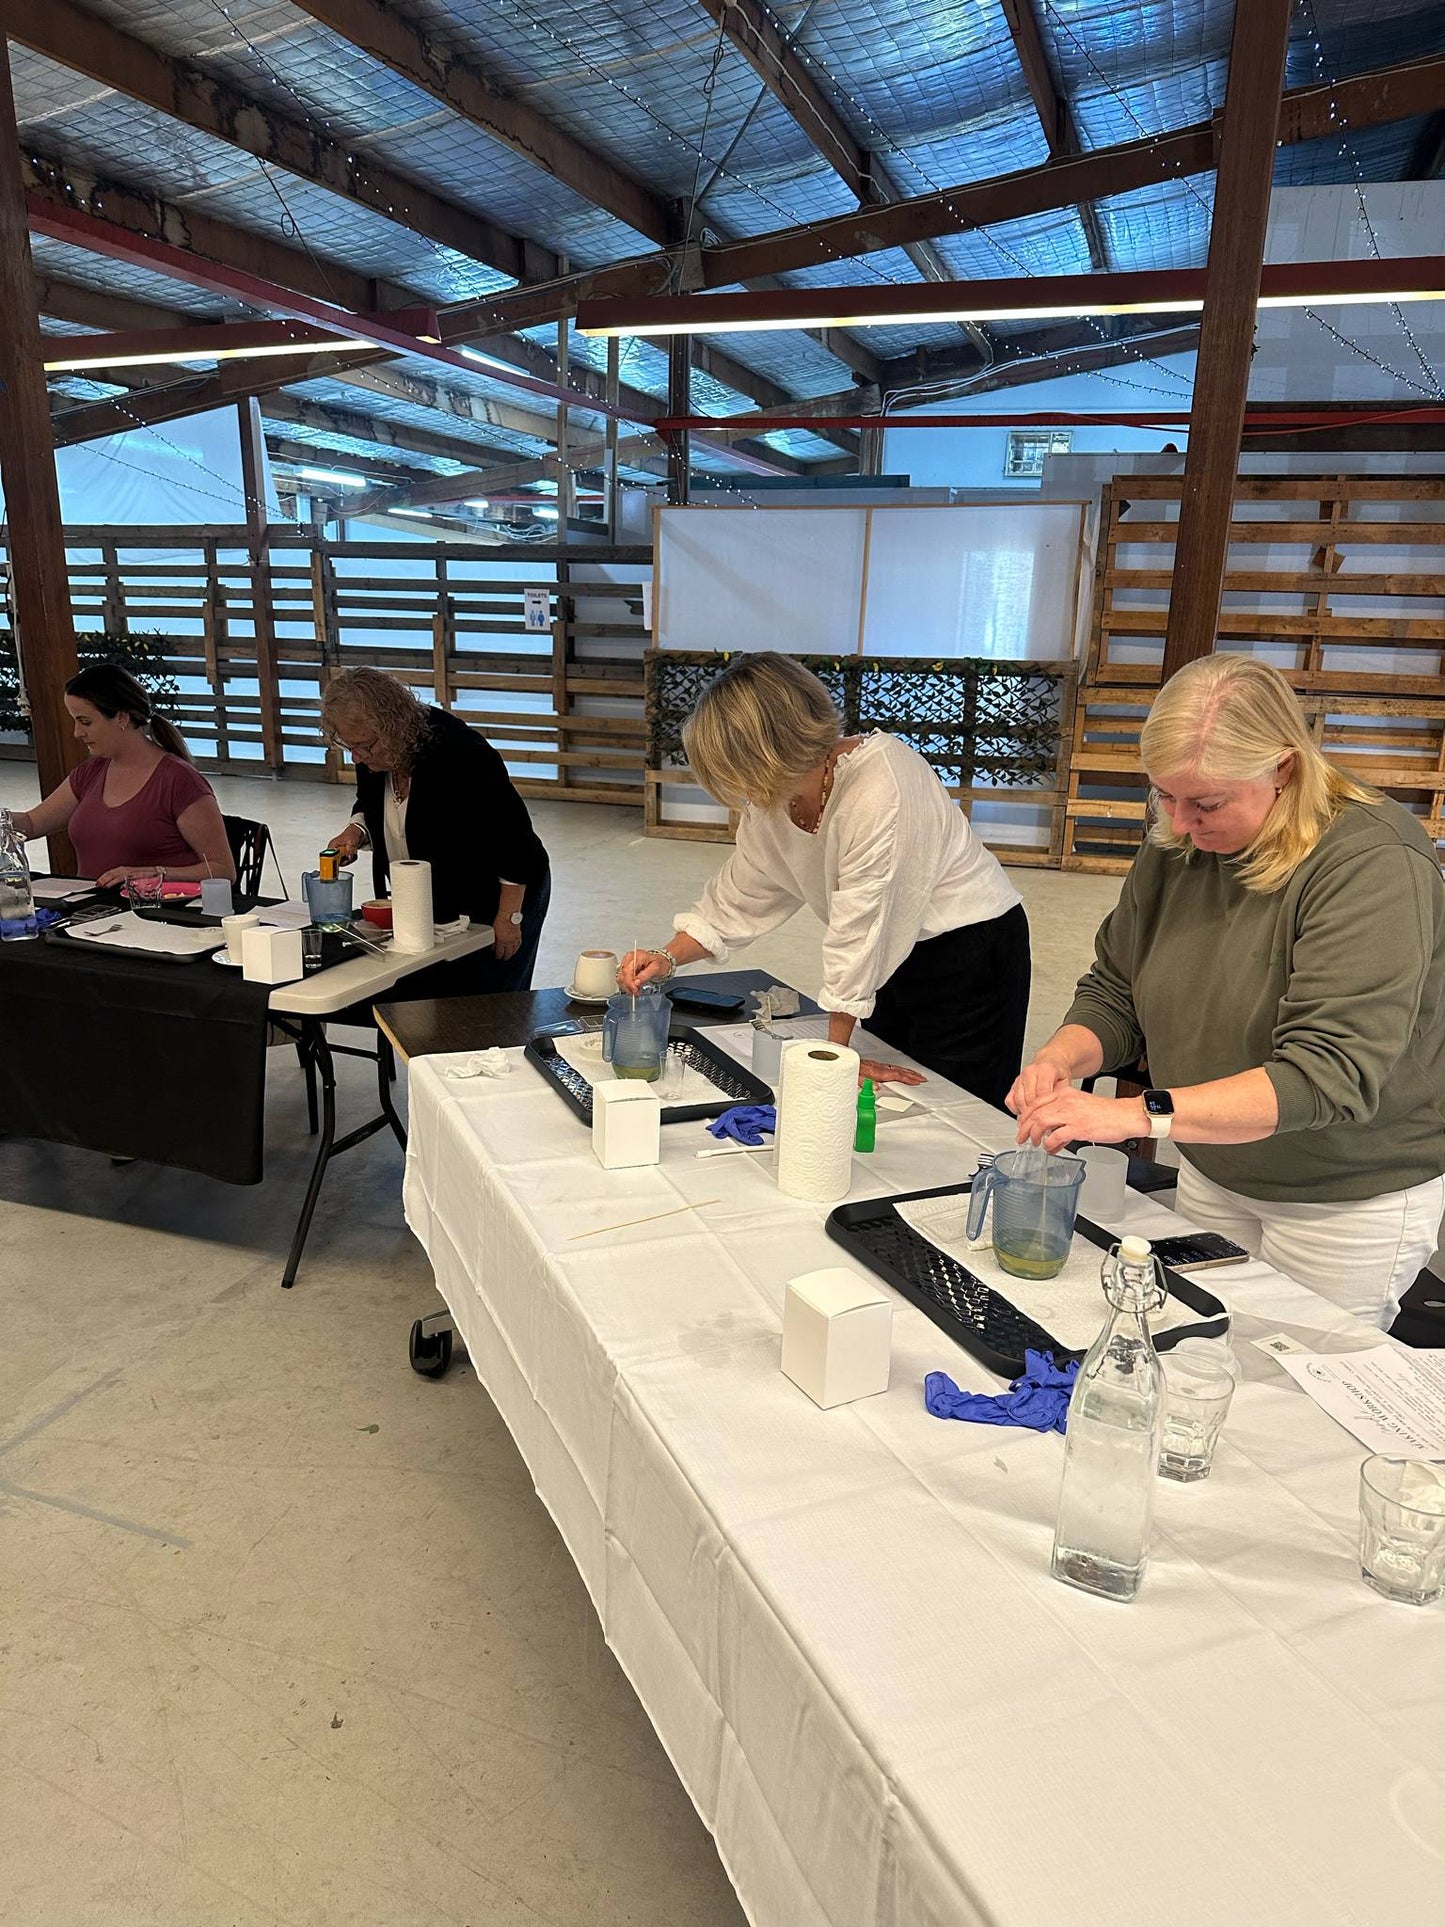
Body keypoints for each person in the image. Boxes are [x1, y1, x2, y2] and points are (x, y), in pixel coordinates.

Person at [1009, 653, 1445, 1328]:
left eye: (1206, 803)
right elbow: (1118, 988)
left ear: (1283, 768)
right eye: (1165, 795)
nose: (1181, 822)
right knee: (1200, 1344)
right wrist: (1059, 1058)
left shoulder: (1371, 862)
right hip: (1215, 1160)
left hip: (1342, 1192)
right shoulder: (1179, 839)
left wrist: (1136, 1115)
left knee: (1298, 1378)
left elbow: (1325, 1076)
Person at [618, 653, 1031, 1104]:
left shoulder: (882, 786)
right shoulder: (775, 797)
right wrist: (667, 957)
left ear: (772, 750)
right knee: (889, 1091)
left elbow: (861, 924)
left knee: (958, 1104)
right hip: (888, 956)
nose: (740, 790)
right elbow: (741, 894)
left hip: (970, 950)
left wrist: (835, 1059)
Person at [322, 668, 550, 992]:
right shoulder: (373, 753)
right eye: (349, 746)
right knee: (429, 992)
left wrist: (509, 918)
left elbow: (515, 844)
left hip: (502, 891)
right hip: (433, 898)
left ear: (392, 728)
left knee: (489, 999)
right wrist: (355, 831)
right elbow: (372, 803)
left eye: (364, 746)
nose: (357, 758)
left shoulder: (462, 755)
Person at [10, 663, 234, 886]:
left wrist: (154, 873)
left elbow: (222, 870)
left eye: (85, 722)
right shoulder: (91, 772)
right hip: (90, 904)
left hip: (152, 907)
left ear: (121, 718)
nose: (77, 733)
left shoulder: (180, 780)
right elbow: (31, 823)